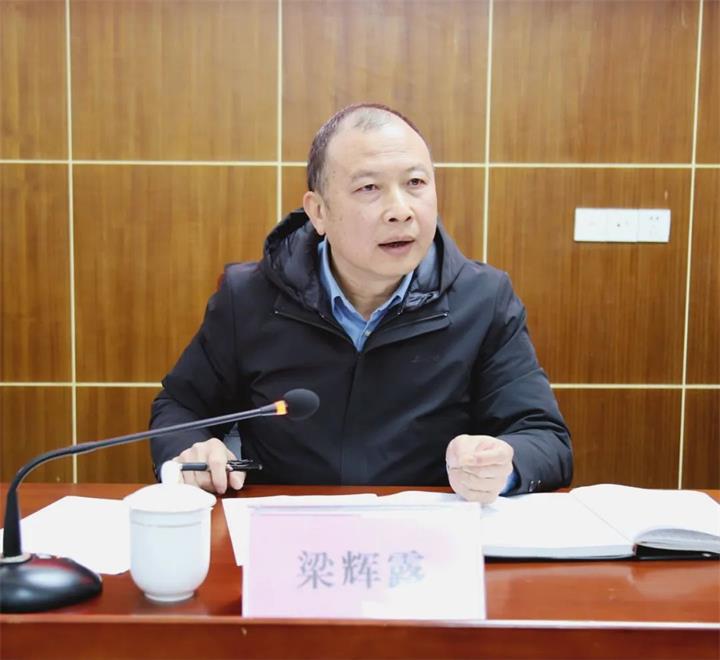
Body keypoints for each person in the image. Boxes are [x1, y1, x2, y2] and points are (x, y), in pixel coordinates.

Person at [150, 103, 572, 502]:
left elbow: (543, 437)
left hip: (423, 536)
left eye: (416, 183)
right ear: (318, 211)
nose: (401, 211)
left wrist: (503, 464)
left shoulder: (484, 299)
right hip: (283, 531)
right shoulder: (249, 297)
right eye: (369, 187)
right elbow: (180, 406)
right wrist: (192, 453)